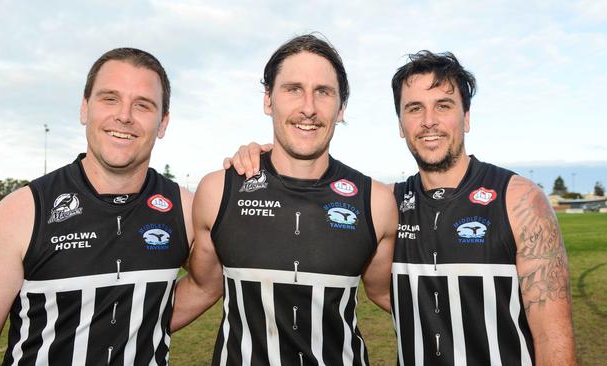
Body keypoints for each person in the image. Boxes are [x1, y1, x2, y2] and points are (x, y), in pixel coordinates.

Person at [229, 50, 576, 365]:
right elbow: (381, 289)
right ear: (400, 124)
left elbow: (553, 339)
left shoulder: (518, 199)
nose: (429, 121)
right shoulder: (388, 204)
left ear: (465, 117)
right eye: (414, 109)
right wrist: (265, 159)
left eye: (444, 105)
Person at [0, 47, 193, 365]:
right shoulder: (22, 212)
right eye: (109, 98)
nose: (124, 115)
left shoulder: (185, 209)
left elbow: (210, 282)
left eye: (143, 105)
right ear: (85, 109)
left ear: (163, 123)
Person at [171, 34, 397, 365]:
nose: (308, 107)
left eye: (323, 92)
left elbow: (386, 293)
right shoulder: (218, 191)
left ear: (341, 107)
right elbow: (204, 287)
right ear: (268, 99)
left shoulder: (375, 202)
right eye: (293, 89)